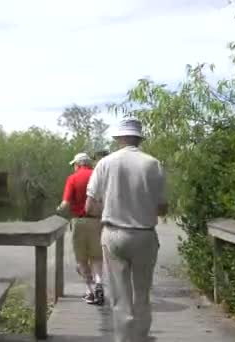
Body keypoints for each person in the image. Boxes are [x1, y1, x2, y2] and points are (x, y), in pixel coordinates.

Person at [85, 119, 168, 342]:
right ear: (139, 139)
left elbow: (89, 207)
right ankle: (140, 338)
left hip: (113, 234)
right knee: (142, 294)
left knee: (120, 298)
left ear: (118, 138)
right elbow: (162, 208)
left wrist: (111, 206)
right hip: (144, 235)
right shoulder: (153, 164)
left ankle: (122, 339)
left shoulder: (105, 163)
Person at [56, 152, 105, 305]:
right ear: (89, 164)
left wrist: (57, 210)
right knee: (97, 257)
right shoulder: (99, 177)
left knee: (81, 259)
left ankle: (90, 291)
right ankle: (99, 283)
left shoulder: (73, 178)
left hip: (80, 222)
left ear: (77, 165)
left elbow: (65, 204)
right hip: (98, 221)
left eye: (74, 166)